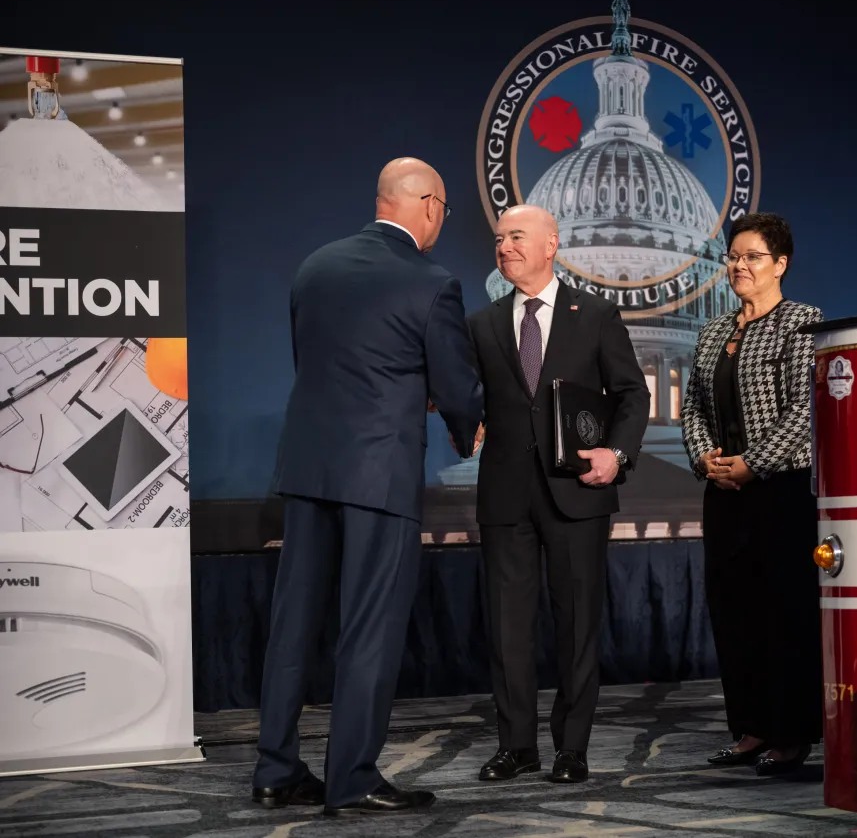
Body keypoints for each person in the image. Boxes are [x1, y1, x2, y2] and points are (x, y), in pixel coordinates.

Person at [252, 158, 484, 816]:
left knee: (293, 623)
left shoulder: (314, 267)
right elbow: (458, 389)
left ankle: (274, 770)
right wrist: (467, 429)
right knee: (368, 628)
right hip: (377, 472)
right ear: (430, 205)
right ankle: (352, 778)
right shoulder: (432, 282)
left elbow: (317, 363)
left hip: (306, 468)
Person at [467, 204, 649, 783]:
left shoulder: (594, 314)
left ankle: (572, 749)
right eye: (499, 239)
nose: (505, 246)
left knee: (577, 628)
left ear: (552, 244)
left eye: (517, 236)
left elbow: (632, 395)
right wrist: (459, 419)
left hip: (578, 493)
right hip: (505, 496)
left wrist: (615, 455)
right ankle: (516, 746)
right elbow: (466, 399)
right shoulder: (482, 324)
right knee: (507, 629)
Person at [679, 211, 824, 775]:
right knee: (733, 610)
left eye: (751, 257)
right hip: (724, 493)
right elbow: (692, 404)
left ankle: (790, 735)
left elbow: (804, 411)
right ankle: (751, 728)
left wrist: (752, 464)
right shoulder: (714, 331)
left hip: (781, 494)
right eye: (733, 256)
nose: (738, 266)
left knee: (783, 613)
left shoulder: (802, 322)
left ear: (780, 264)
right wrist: (705, 457)